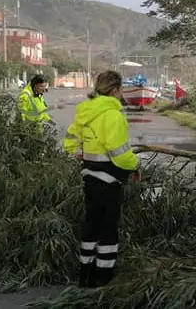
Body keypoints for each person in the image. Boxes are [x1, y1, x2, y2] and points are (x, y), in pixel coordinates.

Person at [62, 70, 139, 288]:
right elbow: (119, 153)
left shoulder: (85, 111)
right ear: (115, 90)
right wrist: (135, 164)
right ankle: (103, 277)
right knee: (108, 228)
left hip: (89, 175)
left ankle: (85, 273)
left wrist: (76, 151)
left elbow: (69, 138)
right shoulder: (113, 115)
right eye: (121, 89)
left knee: (91, 223)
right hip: (109, 177)